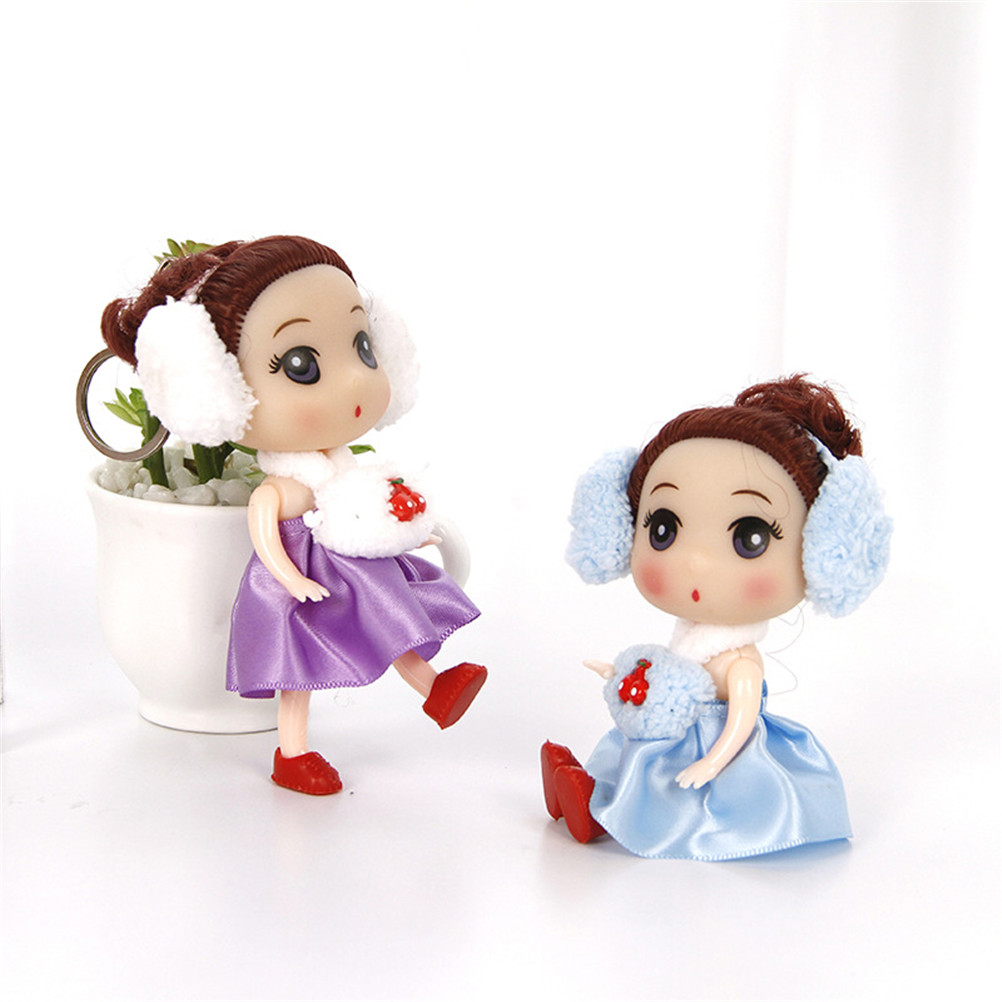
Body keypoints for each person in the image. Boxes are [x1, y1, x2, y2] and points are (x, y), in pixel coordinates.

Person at [101, 236, 486, 795]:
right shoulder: (282, 486)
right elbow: (264, 533)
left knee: (391, 622)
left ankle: (435, 689)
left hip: (349, 569)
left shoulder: (341, 469)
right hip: (303, 587)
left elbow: (365, 504)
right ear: (215, 388)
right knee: (297, 674)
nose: (354, 381)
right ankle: (292, 752)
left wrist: (407, 532)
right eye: (301, 365)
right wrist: (291, 579)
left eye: (362, 346)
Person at [544, 375, 890, 859]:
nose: (696, 563)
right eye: (663, 528)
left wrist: (711, 763)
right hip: (668, 731)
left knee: (669, 801)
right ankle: (588, 797)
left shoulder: (740, 662)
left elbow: (741, 722)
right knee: (630, 767)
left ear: (823, 550)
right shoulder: (689, 636)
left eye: (750, 537)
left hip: (714, 754)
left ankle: (597, 813)